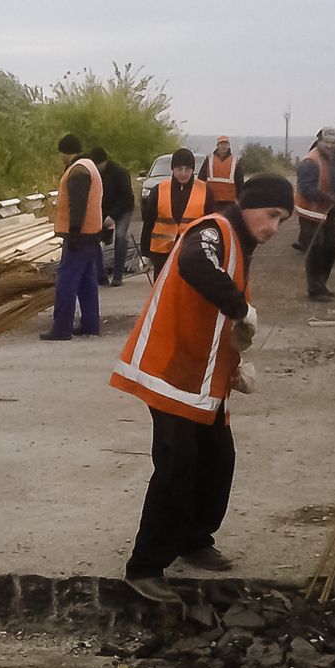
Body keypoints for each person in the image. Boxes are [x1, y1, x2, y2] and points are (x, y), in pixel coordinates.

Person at [110, 175, 295, 602]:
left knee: (218, 460)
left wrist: (236, 361)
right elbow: (194, 264)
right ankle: (145, 567)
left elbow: (214, 317)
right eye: (272, 215)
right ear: (251, 205)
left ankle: (194, 540)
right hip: (172, 370)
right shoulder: (213, 230)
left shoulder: (238, 243)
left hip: (204, 374)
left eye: (282, 221)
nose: (274, 228)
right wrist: (242, 308)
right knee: (178, 465)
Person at [40, 135, 110, 340]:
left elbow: (77, 205)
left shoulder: (77, 171)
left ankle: (61, 328)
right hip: (91, 234)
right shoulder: (89, 166)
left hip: (79, 235)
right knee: (87, 281)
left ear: (64, 152)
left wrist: (74, 232)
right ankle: (90, 324)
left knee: (67, 281)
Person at [139, 148, 212, 280]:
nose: (183, 173)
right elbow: (149, 222)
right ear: (172, 169)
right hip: (162, 254)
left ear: (193, 170)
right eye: (179, 168)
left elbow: (211, 226)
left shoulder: (206, 191)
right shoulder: (159, 190)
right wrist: (145, 253)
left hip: (193, 253)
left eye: (187, 169)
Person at [295, 127, 335, 301]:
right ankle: (315, 289)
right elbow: (306, 188)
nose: (331, 146)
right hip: (310, 212)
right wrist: (327, 197)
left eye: (334, 143)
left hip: (329, 210)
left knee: (330, 249)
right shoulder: (310, 161)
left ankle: (322, 284)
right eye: (327, 142)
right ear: (319, 142)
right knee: (315, 250)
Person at [88, 147, 135, 287]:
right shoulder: (94, 175)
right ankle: (100, 275)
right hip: (104, 211)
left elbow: (127, 198)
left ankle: (118, 275)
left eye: (97, 165)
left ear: (104, 162)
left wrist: (113, 217)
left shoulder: (119, 173)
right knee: (93, 239)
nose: (95, 168)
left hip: (123, 210)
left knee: (120, 237)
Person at [197, 135, 244, 207]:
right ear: (217, 145)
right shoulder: (209, 159)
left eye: (225, 144)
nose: (223, 146)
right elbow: (201, 179)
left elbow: (240, 182)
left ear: (229, 145)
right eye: (221, 144)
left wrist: (240, 200)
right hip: (211, 200)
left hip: (229, 202)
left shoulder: (235, 161)